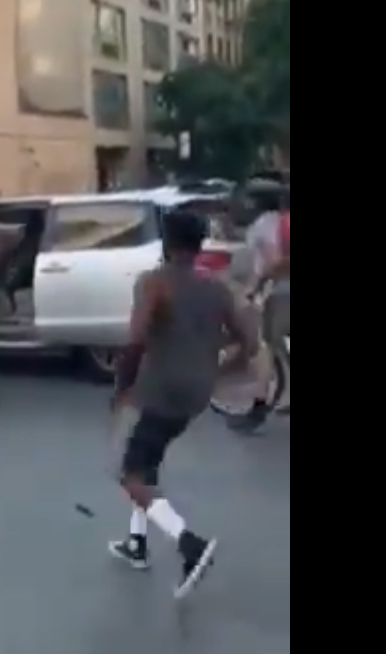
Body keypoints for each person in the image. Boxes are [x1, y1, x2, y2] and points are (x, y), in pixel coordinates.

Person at [108, 210, 258, 599]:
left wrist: (121, 388)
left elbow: (135, 341)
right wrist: (218, 371)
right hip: (197, 392)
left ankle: (189, 545)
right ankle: (136, 542)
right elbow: (250, 343)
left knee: (132, 477)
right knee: (149, 459)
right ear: (198, 245)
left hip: (160, 390)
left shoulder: (154, 283)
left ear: (166, 242)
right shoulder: (216, 288)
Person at [229, 188, 290, 431]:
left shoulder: (265, 225)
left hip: (283, 292)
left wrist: (254, 288)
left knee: (265, 348)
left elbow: (273, 263)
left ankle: (258, 406)